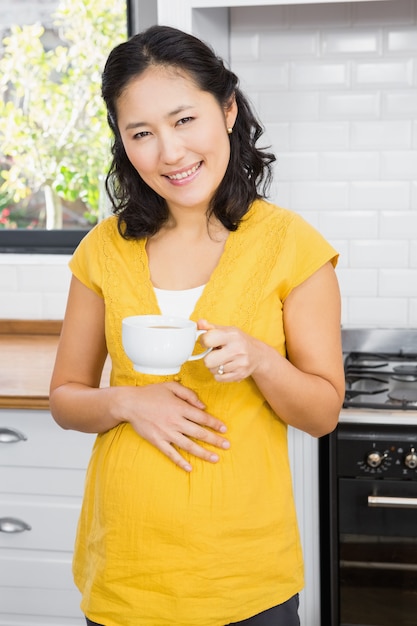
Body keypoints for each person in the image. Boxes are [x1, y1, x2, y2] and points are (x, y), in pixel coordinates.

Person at [49, 24, 345, 626]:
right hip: (126, 574)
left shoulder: (291, 246)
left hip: (244, 577)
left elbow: (321, 414)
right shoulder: (102, 250)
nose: (170, 152)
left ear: (228, 110)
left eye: (184, 120)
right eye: (142, 133)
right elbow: (65, 398)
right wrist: (128, 404)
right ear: (123, 144)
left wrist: (262, 360)